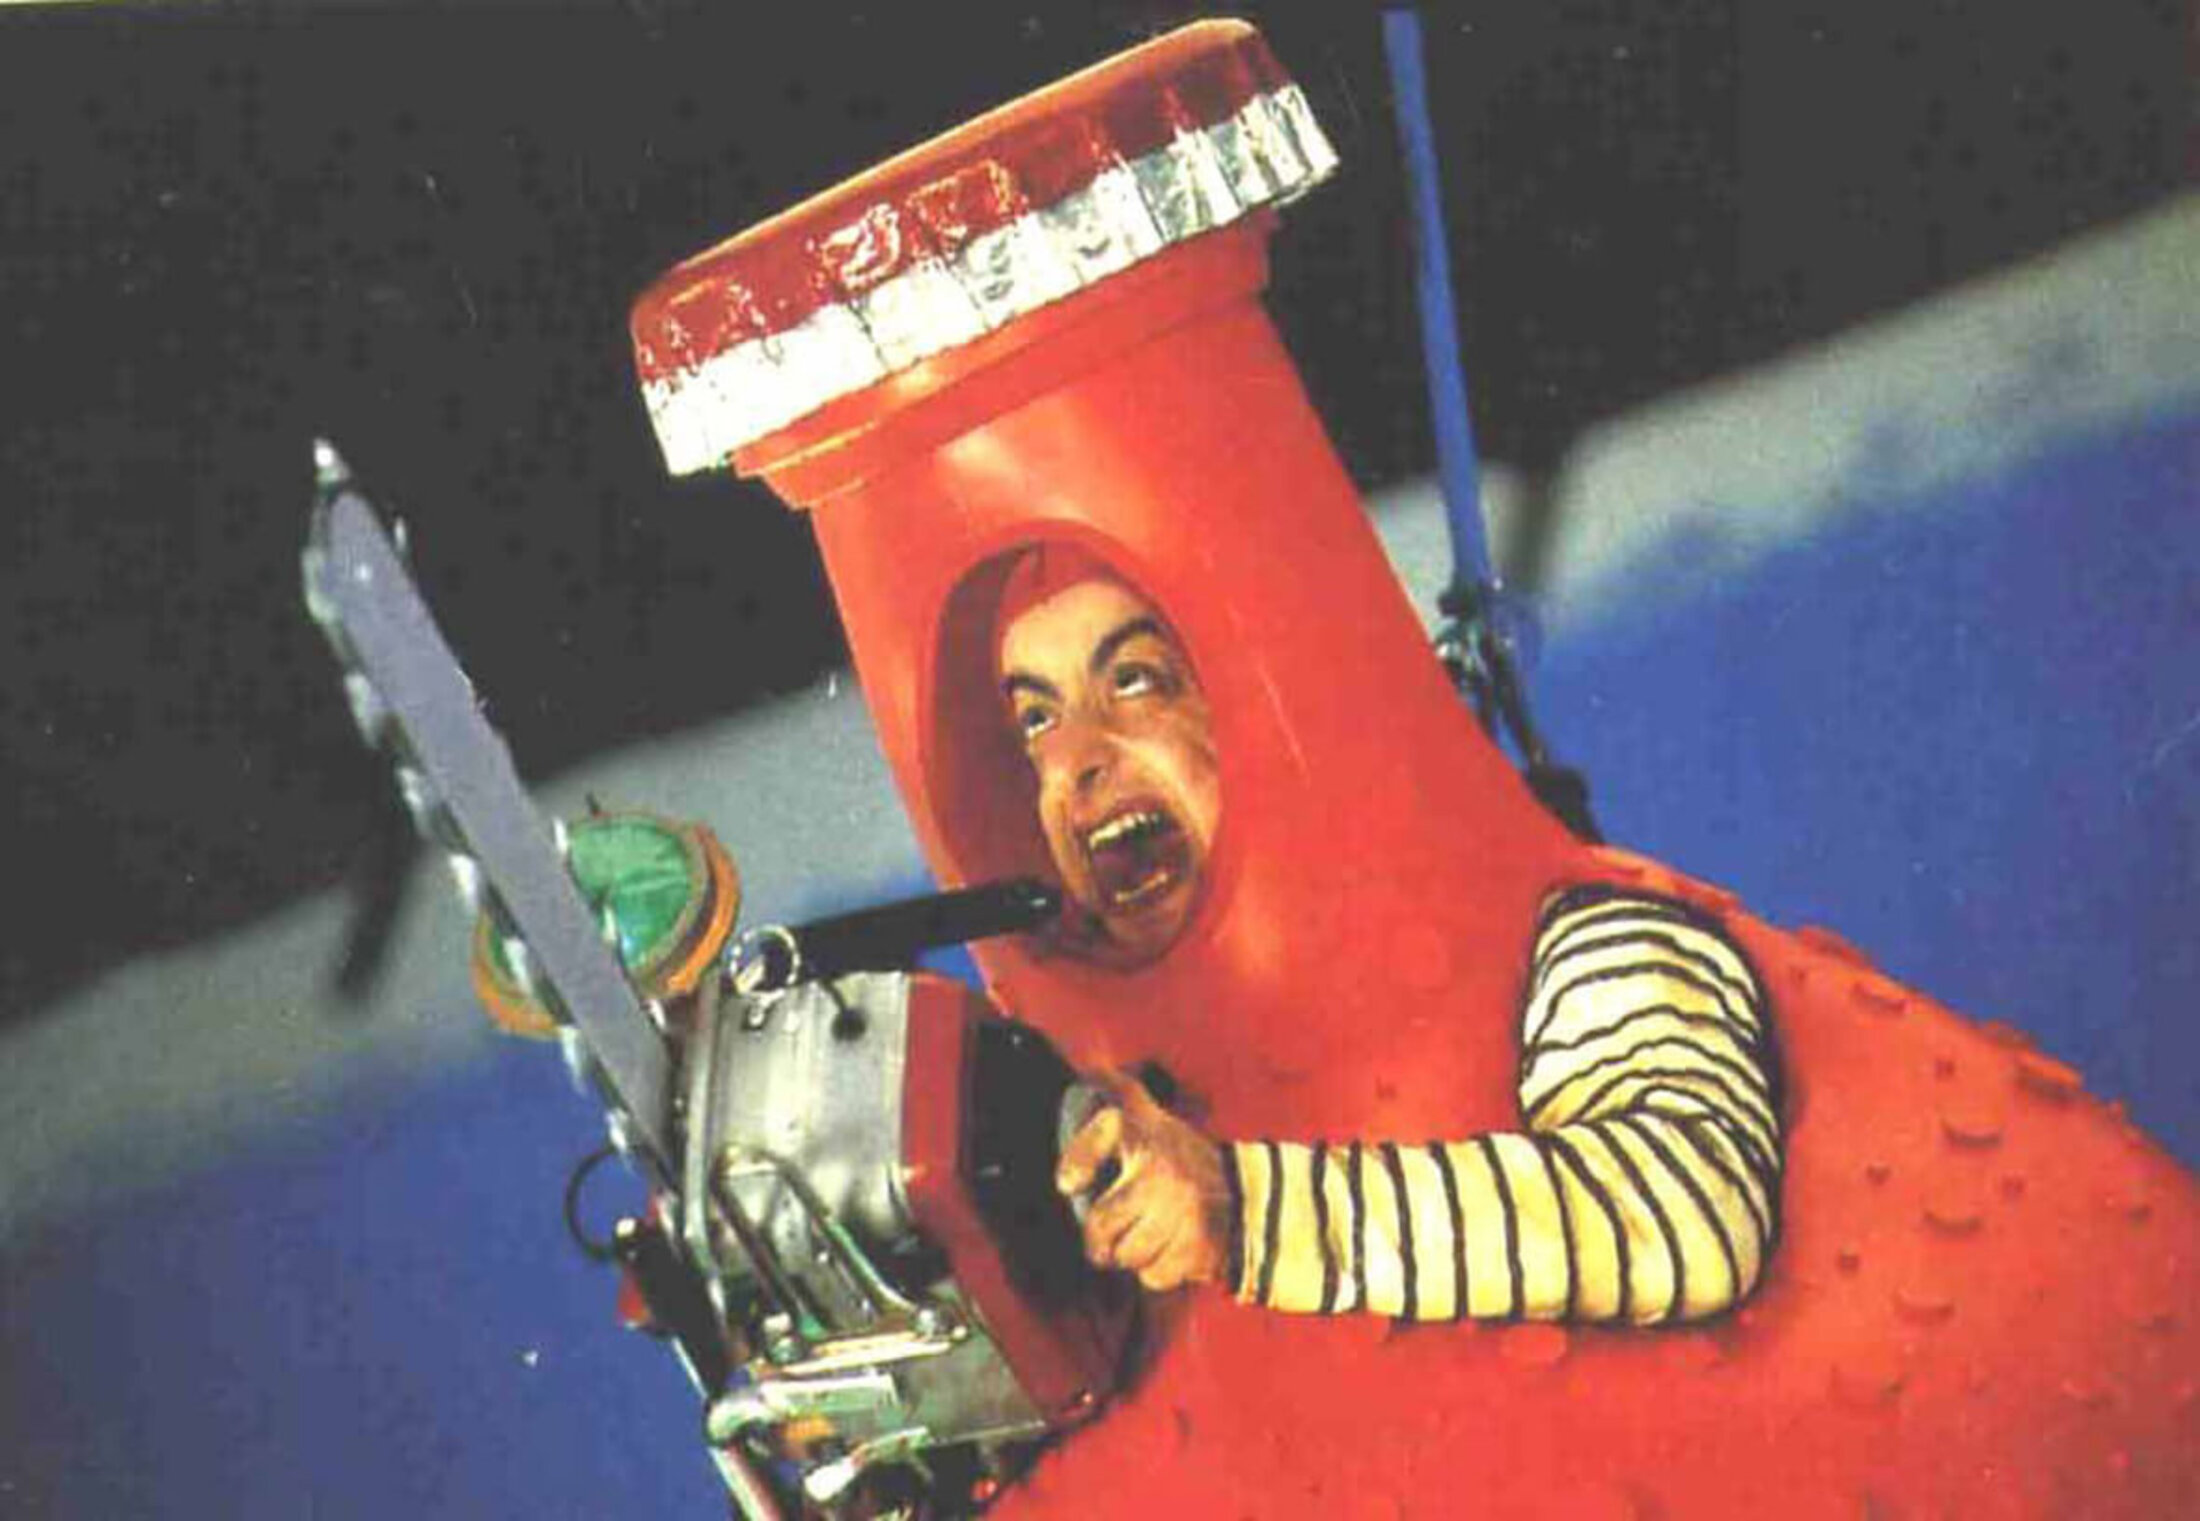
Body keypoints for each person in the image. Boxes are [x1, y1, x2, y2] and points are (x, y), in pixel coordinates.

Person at [994, 545, 1783, 1323]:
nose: (1073, 761)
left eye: (1135, 681)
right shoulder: (1103, 1136)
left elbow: (1692, 1209)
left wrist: (1253, 1211)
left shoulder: (1583, 934)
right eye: (1037, 721)